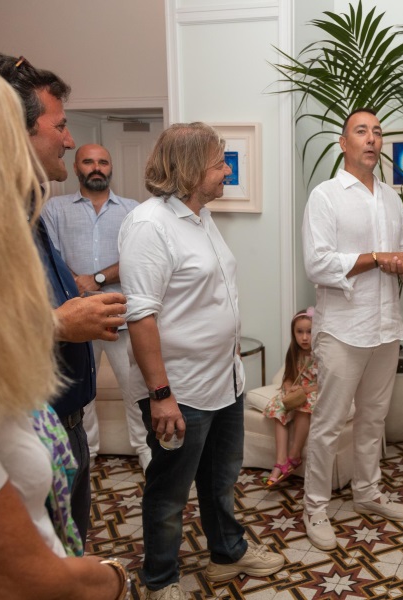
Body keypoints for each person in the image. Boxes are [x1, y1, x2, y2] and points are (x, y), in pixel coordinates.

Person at [0, 45, 134, 600]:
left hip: (59, 423)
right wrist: (114, 580)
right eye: (59, 127)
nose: (70, 141)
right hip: (35, 424)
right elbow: (9, 572)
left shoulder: (24, 213)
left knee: (71, 536)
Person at [119, 122, 284, 598]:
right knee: (169, 492)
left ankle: (227, 553)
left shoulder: (200, 215)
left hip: (224, 381)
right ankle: (160, 579)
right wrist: (161, 395)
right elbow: (141, 316)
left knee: (220, 479)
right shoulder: (149, 225)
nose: (225, 171)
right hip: (180, 391)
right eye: (218, 164)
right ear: (190, 171)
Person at [302, 107, 403, 551]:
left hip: (385, 327)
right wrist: (375, 258)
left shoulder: (390, 198)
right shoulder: (326, 196)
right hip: (342, 330)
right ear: (343, 143)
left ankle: (367, 492)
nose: (372, 139)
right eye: (361, 131)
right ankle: (315, 507)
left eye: (377, 132)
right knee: (329, 423)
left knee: (373, 419)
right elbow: (317, 264)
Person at [43, 144, 148, 470]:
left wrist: (96, 278)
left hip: (119, 314)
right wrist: (76, 282)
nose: (97, 167)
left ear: (111, 167)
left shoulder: (132, 209)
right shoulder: (54, 209)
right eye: (88, 161)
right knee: (80, 393)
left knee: (135, 389)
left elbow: (136, 258)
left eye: (103, 161)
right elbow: (51, 257)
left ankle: (147, 456)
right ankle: (85, 458)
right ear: (76, 168)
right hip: (74, 318)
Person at [262, 308, 318, 486]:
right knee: (278, 407)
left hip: (314, 391)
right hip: (298, 390)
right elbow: (288, 377)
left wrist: (305, 390)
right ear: (293, 333)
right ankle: (280, 461)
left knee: (303, 405)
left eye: (309, 332)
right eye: (299, 332)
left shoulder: (321, 353)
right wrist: (288, 389)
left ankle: (294, 455)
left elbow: (326, 382)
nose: (304, 337)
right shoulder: (294, 352)